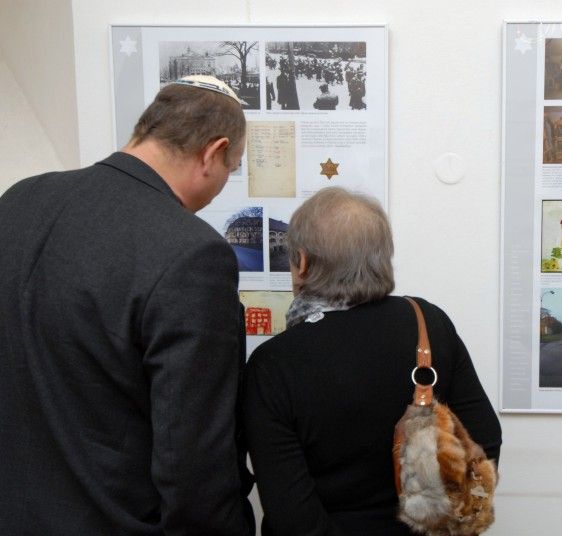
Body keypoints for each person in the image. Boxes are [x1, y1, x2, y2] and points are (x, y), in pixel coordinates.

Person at [0, 75, 254, 535]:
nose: (223, 183)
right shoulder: (192, 252)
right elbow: (194, 459)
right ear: (212, 153)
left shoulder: (20, 199)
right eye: (231, 168)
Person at [244, 187, 502, 536]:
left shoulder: (273, 364)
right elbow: (485, 438)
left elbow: (291, 513)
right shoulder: (429, 322)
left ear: (301, 262)